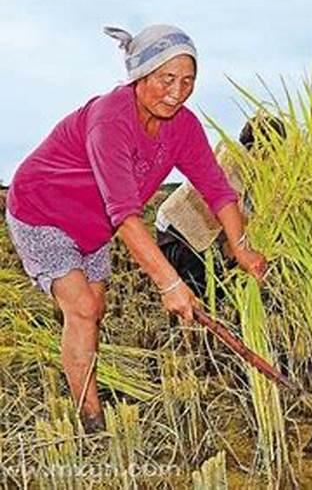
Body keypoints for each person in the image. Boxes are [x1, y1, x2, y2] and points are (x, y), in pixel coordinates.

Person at [4, 24, 267, 433]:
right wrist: (170, 283)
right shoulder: (110, 120)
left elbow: (218, 190)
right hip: (43, 210)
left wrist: (242, 245)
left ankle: (78, 357)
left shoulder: (184, 127)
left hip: (93, 226)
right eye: (167, 78)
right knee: (84, 309)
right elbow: (127, 214)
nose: (177, 91)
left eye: (187, 81)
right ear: (139, 76)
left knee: (95, 307)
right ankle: (89, 418)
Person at [155, 115, 286, 298]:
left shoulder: (256, 172)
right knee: (199, 294)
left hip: (203, 236)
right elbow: (226, 207)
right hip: (180, 230)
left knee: (216, 291)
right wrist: (243, 253)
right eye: (277, 149)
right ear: (265, 146)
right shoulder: (234, 159)